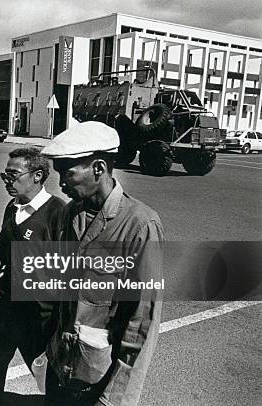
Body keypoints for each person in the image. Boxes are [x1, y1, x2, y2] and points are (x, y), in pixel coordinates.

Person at [40, 121, 164, 406]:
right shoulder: (69, 214)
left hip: (97, 380)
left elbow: (142, 322)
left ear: (98, 168)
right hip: (61, 369)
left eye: (67, 173)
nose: (60, 184)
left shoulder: (140, 224)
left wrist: (114, 398)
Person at [0, 147, 65, 405]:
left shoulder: (58, 213)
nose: (7, 182)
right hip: (4, 303)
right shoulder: (12, 207)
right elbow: (3, 243)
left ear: (37, 175)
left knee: (50, 375)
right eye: (5, 176)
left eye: (13, 175)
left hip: (38, 312)